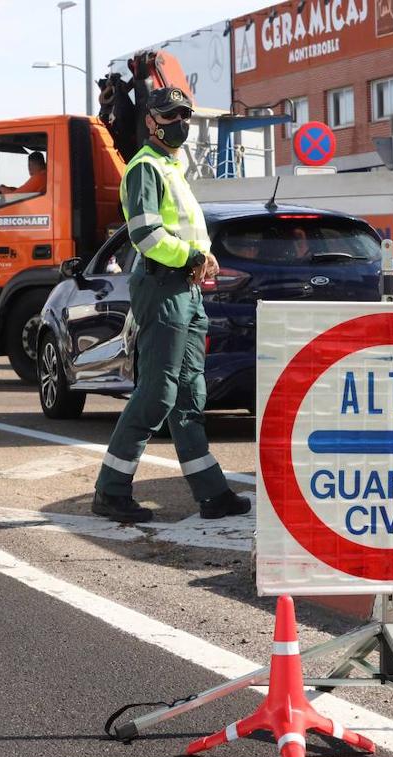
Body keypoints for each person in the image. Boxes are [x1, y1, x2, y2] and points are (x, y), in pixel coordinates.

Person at [92, 87, 252, 524]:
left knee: (188, 396)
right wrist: (192, 257)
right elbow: (145, 235)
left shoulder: (171, 167)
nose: (180, 121)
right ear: (151, 122)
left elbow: (182, 230)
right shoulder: (145, 168)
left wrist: (201, 257)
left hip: (186, 289)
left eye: (184, 114)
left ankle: (212, 493)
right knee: (158, 393)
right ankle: (110, 490)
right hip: (164, 286)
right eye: (171, 115)